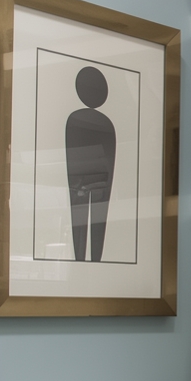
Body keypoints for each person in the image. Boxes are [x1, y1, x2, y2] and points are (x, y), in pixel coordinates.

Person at [65, 65, 116, 262]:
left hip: (83, 181)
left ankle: (84, 259)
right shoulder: (105, 123)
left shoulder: (74, 120)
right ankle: (92, 259)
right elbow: (110, 160)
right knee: (95, 221)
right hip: (96, 181)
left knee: (82, 220)